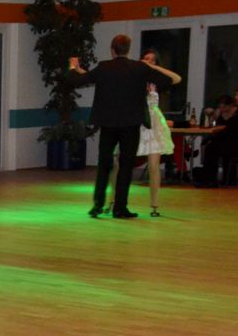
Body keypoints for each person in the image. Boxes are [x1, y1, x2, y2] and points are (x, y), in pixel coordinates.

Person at [67, 35, 174, 219]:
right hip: (131, 125)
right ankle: (120, 208)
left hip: (108, 124)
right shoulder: (139, 68)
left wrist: (72, 67)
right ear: (128, 49)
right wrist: (151, 69)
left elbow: (77, 81)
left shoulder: (104, 67)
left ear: (112, 50)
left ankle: (97, 205)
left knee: (104, 165)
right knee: (126, 166)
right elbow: (168, 81)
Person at [104, 49, 182, 216]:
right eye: (146, 59)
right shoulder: (134, 77)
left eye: (152, 60)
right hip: (133, 122)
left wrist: (155, 68)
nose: (148, 61)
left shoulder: (157, 80)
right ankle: (112, 201)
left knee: (154, 166)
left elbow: (177, 78)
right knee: (118, 164)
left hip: (153, 125)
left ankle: (154, 206)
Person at [196, 94, 238, 187]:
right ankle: (209, 179)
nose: (221, 108)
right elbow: (212, 125)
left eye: (224, 106)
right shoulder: (219, 112)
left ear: (230, 105)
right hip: (222, 139)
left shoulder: (236, 114)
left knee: (212, 148)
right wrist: (212, 115)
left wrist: (221, 128)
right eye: (220, 106)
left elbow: (232, 129)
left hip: (233, 141)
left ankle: (210, 179)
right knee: (210, 147)